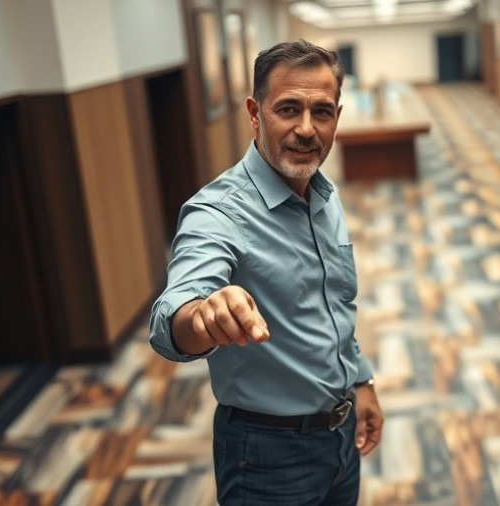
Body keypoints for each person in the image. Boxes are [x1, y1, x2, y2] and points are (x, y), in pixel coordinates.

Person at [149, 39, 383, 505]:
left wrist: (361, 381)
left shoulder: (323, 192)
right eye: (288, 109)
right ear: (255, 114)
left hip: (341, 439)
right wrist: (204, 317)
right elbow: (170, 319)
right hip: (267, 457)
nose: (306, 129)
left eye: (322, 112)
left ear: (337, 114)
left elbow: (333, 303)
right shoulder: (217, 212)